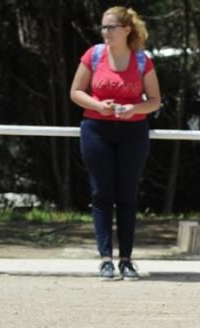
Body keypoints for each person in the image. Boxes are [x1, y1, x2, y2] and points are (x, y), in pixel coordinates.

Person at [69, 6, 161, 281]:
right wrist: (99, 105)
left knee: (127, 195)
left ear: (127, 30)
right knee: (101, 194)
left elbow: (154, 101)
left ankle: (127, 259)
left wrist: (134, 109)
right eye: (103, 27)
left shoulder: (143, 60)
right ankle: (105, 259)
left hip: (133, 132)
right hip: (96, 129)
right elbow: (75, 92)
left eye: (111, 27)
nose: (105, 32)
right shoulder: (94, 55)